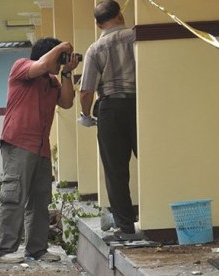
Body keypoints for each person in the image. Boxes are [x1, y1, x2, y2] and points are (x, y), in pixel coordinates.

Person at [0, 38, 80, 263]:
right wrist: (62, 47)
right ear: (49, 54)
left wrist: (66, 74)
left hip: (41, 148)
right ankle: (3, 250)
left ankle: (37, 249)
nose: (59, 64)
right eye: (58, 60)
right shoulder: (21, 67)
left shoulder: (51, 81)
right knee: (14, 197)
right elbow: (40, 65)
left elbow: (67, 102)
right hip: (18, 143)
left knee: (40, 201)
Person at [79, 0, 137, 235]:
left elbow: (86, 91)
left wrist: (85, 114)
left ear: (98, 23)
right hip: (140, 104)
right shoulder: (135, 37)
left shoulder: (95, 49)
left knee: (115, 170)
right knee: (152, 158)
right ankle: (159, 215)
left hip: (110, 109)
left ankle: (125, 226)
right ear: (120, 15)